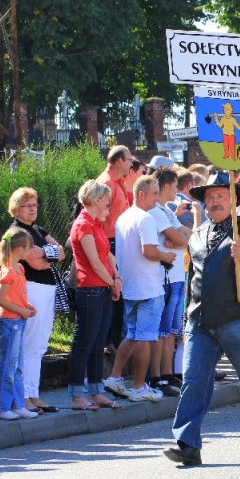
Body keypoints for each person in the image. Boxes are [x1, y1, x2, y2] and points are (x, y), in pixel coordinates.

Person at [164, 170, 240, 465]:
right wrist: (186, 319)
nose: (214, 201)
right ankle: (187, 444)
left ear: (233, 200)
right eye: (210, 197)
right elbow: (192, 280)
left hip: (238, 319)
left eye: (220, 196)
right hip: (200, 322)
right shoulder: (197, 234)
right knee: (193, 380)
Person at [104, 176, 175, 403]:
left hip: (131, 285)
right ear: (141, 194)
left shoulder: (123, 217)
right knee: (144, 338)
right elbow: (149, 251)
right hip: (148, 287)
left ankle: (115, 377)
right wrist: (165, 256)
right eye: (154, 193)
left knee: (133, 335)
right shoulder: (146, 218)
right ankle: (138, 387)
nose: (157, 198)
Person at [9, 187, 66, 414]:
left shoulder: (38, 230)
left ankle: (34, 394)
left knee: (40, 345)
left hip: (47, 290)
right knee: (30, 344)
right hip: (32, 289)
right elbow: (35, 263)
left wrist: (45, 254)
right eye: (27, 205)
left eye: (35, 205)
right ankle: (23, 396)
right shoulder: (17, 232)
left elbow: (61, 252)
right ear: (16, 208)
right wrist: (48, 254)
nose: (33, 209)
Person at [68, 180, 123, 411]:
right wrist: (113, 282)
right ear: (97, 199)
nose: (108, 203)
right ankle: (76, 395)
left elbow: (108, 257)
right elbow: (95, 263)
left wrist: (115, 278)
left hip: (102, 288)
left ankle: (96, 391)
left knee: (98, 343)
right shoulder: (83, 225)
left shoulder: (96, 223)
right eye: (106, 200)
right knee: (84, 343)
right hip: (90, 289)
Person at [149, 168, 192, 396]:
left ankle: (167, 374)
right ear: (166, 186)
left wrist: (179, 239)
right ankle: (157, 377)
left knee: (171, 332)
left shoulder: (167, 211)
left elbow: (187, 235)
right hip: (165, 278)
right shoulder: (156, 211)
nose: (177, 190)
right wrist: (179, 239)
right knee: (162, 331)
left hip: (176, 277)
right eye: (175, 186)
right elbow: (180, 238)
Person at [0, 228, 37, 420]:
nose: (30, 251)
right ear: (19, 249)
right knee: (8, 365)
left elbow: (17, 295)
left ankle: (18, 405)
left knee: (18, 365)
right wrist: (21, 311)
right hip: (10, 323)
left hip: (18, 321)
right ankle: (2, 407)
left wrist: (27, 307)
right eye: (28, 248)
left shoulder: (20, 269)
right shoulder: (8, 272)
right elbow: (0, 299)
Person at [98, 145, 134, 356]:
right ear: (119, 160)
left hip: (117, 241)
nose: (131, 164)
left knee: (118, 291)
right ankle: (109, 340)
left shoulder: (117, 182)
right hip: (109, 242)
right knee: (114, 292)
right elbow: (99, 217)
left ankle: (114, 338)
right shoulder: (107, 183)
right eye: (129, 160)